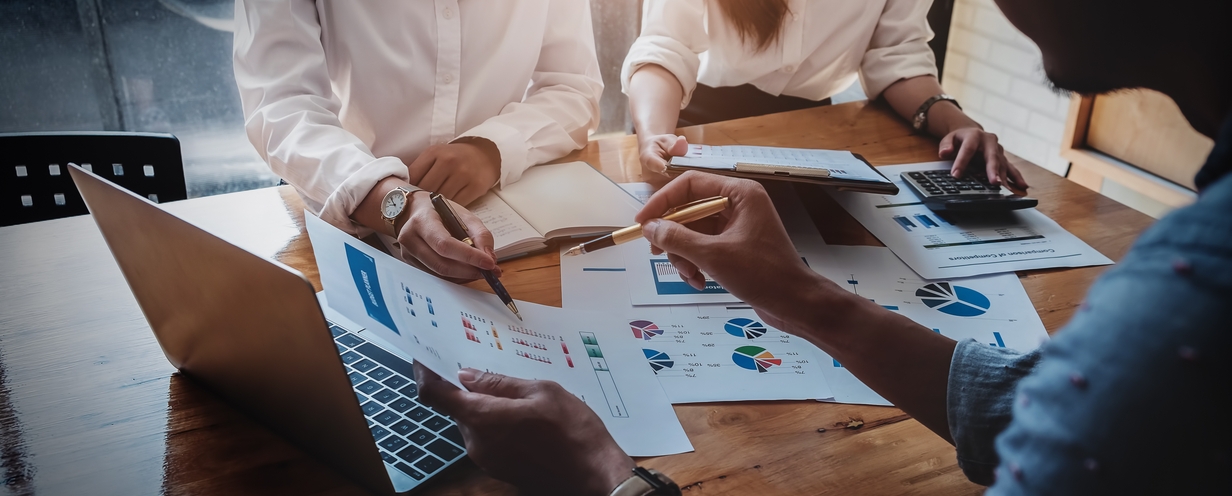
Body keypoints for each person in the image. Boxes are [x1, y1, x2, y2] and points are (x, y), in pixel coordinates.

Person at [414, 0, 1232, 493]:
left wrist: (609, 478)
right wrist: (802, 297)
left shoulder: (1182, 309)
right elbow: (1023, 408)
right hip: (711, 138)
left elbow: (898, 59)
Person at [233, 0, 602, 280]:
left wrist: (492, 149)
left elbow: (572, 87)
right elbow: (280, 102)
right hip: (342, 214)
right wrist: (388, 198)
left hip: (494, 215)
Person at [623, 0, 1028, 191]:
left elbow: (896, 54)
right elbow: (665, 47)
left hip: (813, 133)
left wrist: (956, 123)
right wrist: (654, 136)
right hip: (690, 123)